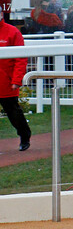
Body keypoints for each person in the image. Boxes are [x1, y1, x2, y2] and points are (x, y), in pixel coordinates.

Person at [0, 17, 31, 151]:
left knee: (13, 112)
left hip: (6, 82)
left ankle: (24, 136)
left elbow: (20, 58)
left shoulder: (12, 32)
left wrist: (17, 80)